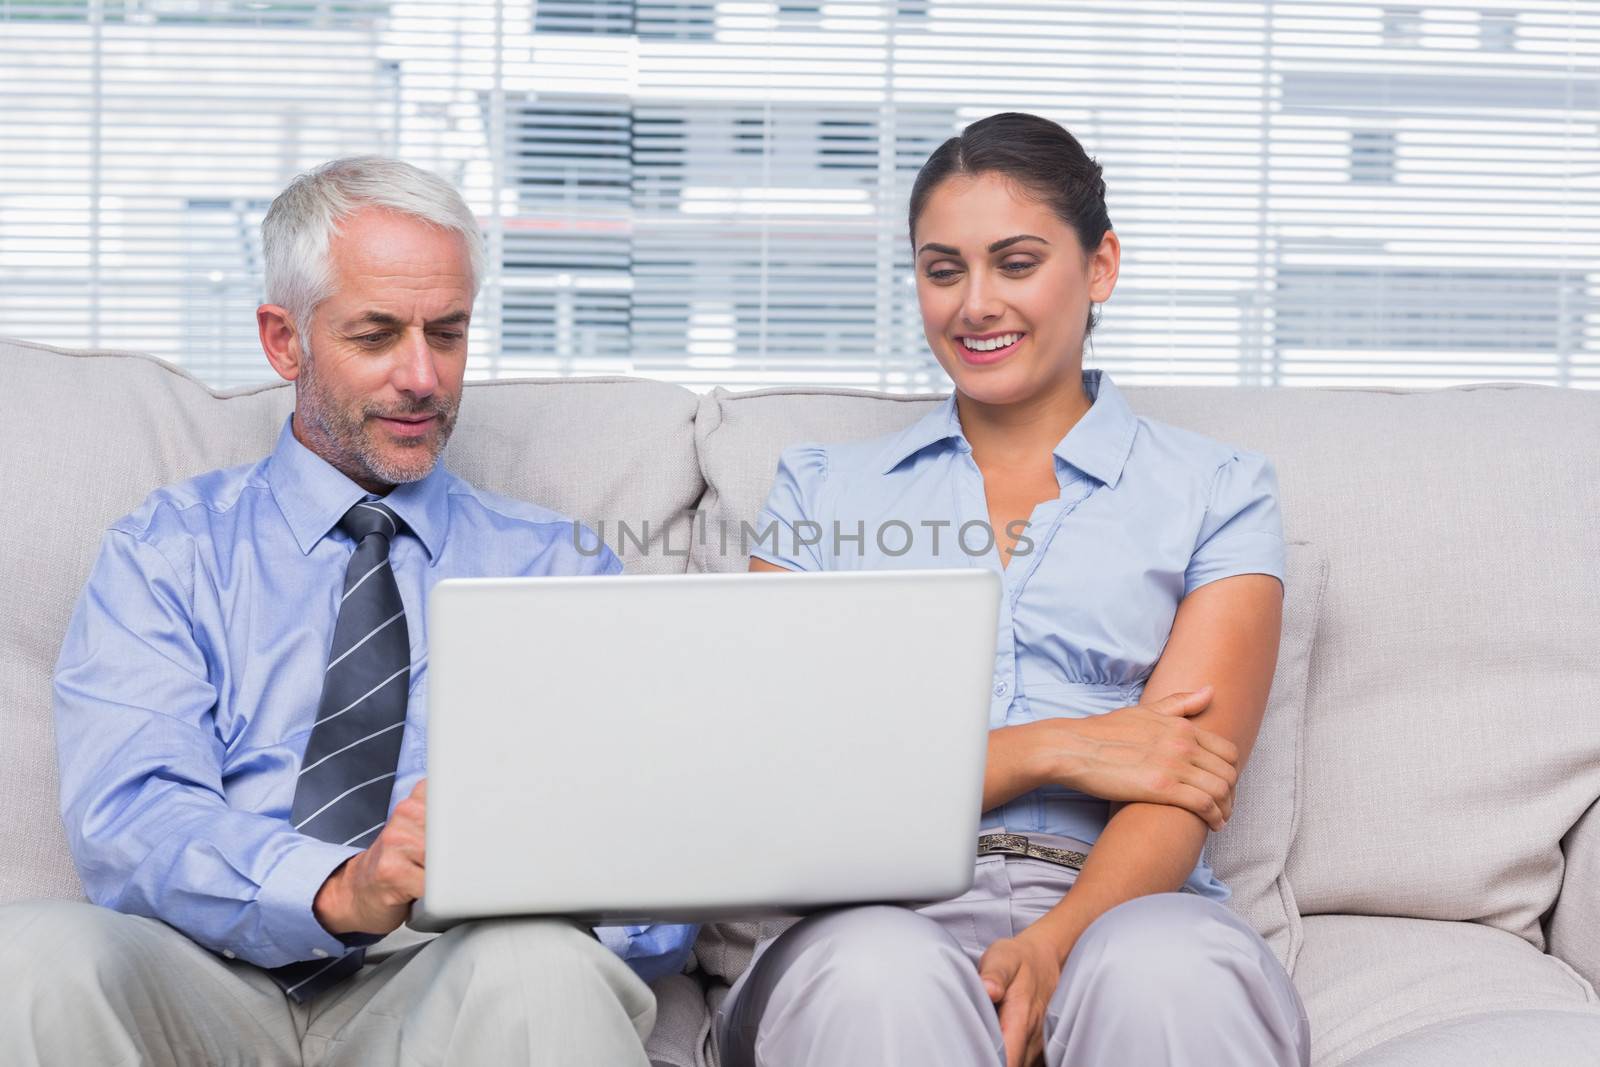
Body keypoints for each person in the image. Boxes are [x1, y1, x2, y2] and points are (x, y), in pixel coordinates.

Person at [0, 157, 695, 1066]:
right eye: (376, 334)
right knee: (32, 958)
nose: (422, 376)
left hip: (450, 980)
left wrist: (566, 888)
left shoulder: (554, 566)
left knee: (541, 965)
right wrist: (333, 887)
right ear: (284, 340)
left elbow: (664, 870)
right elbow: (133, 821)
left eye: (446, 334)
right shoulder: (170, 550)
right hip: (206, 975)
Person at [715, 113, 1312, 1067]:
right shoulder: (820, 491)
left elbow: (1178, 782)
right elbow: (781, 784)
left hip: (1128, 903)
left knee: (1165, 975)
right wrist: (1062, 747)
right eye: (942, 270)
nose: (974, 303)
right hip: (871, 914)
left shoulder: (1218, 490)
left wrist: (1051, 942)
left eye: (1017, 262)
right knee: (881, 977)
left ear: (1100, 266)